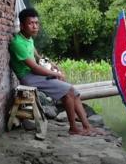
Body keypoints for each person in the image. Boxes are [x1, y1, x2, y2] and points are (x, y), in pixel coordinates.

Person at [9, 8, 100, 136]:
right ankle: (73, 128)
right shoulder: (17, 43)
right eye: (31, 23)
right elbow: (35, 67)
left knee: (73, 91)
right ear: (22, 25)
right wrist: (56, 74)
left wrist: (53, 65)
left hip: (34, 74)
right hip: (28, 77)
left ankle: (87, 126)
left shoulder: (28, 39)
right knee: (68, 92)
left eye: (36, 23)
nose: (35, 26)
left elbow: (38, 57)